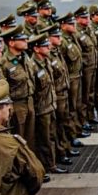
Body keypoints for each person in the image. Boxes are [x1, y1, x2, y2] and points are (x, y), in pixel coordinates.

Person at [29, 33, 63, 175]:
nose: (48, 47)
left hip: (50, 104)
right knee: (44, 140)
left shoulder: (45, 61)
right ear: (36, 49)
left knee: (51, 136)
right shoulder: (33, 66)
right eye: (44, 46)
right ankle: (47, 166)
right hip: (41, 108)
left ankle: (52, 163)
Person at [0, 25, 37, 147]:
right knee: (19, 139)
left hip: (29, 100)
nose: (26, 41)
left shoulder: (25, 57)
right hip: (16, 105)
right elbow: (3, 88)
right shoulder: (4, 63)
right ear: (11, 43)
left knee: (30, 138)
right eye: (22, 39)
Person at [46, 23, 75, 165]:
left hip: (63, 91)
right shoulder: (49, 56)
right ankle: (60, 151)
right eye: (56, 36)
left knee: (63, 122)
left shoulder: (56, 52)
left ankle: (66, 147)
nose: (60, 39)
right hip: (56, 95)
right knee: (57, 126)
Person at [59, 12, 88, 140]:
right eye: (70, 24)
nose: (73, 25)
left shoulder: (72, 38)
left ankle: (78, 127)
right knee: (71, 107)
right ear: (63, 26)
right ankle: (72, 133)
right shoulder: (63, 42)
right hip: (71, 77)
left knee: (77, 104)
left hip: (77, 75)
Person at [75, 6, 98, 126]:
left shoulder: (88, 29)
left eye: (87, 17)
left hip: (92, 64)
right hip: (85, 67)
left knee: (91, 92)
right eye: (83, 18)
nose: (87, 20)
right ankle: (83, 120)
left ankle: (90, 115)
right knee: (84, 95)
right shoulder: (76, 33)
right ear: (77, 19)